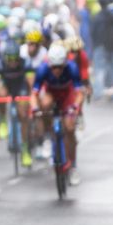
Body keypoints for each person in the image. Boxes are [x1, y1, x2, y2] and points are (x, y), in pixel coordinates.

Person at [30, 44, 84, 186]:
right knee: (45, 104)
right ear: (49, 65)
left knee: (70, 128)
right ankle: (48, 135)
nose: (57, 70)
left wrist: (75, 107)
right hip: (51, 93)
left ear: (65, 64)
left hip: (67, 95)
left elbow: (79, 93)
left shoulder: (72, 68)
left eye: (60, 67)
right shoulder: (42, 69)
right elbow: (34, 94)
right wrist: (35, 108)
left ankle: (73, 167)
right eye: (54, 67)